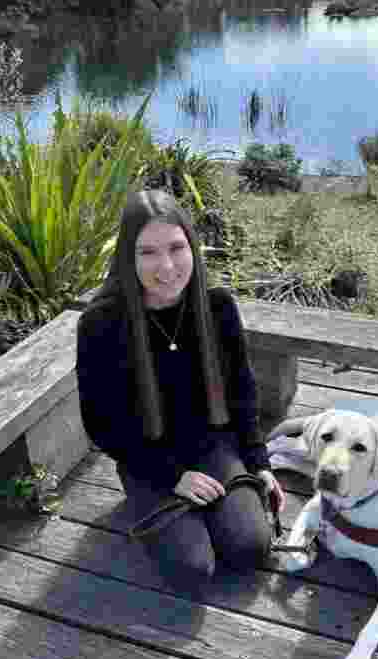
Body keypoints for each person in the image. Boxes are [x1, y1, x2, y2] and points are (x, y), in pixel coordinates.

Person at [76, 189, 285, 590]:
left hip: (213, 447)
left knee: (249, 549)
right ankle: (153, 501)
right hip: (147, 458)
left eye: (176, 247)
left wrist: (259, 463)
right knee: (192, 568)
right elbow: (100, 422)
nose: (167, 266)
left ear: (192, 245)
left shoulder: (218, 306)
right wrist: (171, 475)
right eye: (148, 252)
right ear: (128, 257)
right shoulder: (102, 322)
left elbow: (242, 391)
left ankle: (214, 510)